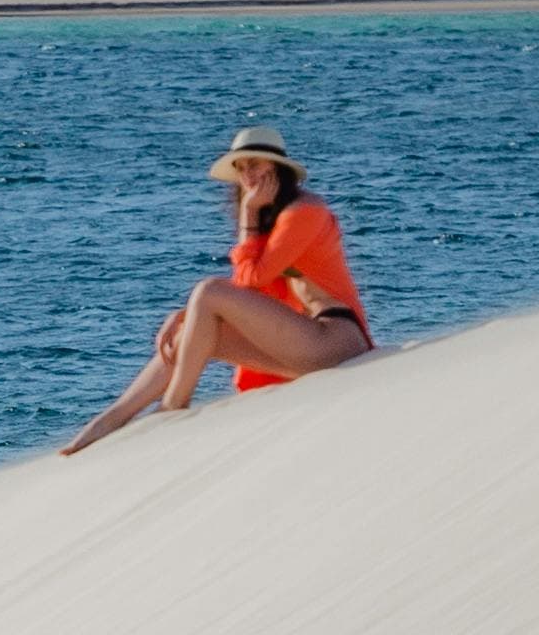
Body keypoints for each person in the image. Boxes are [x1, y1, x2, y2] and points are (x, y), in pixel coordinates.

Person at [61, 123, 373, 454]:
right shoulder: (277, 219)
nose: (247, 175)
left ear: (277, 168)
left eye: (255, 164)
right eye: (241, 168)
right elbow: (250, 295)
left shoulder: (305, 212)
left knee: (209, 291)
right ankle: (113, 417)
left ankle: (173, 405)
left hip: (337, 340)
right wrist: (189, 315)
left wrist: (249, 212)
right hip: (307, 345)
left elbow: (249, 281)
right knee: (193, 330)